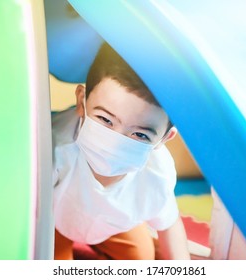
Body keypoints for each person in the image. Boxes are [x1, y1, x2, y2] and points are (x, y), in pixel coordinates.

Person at [52, 42, 190, 260]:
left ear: (164, 138)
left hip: (113, 223)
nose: (116, 144)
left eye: (140, 135)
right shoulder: (54, 151)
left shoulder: (157, 173)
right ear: (81, 101)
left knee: (142, 261)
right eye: (105, 120)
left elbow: (169, 223)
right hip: (55, 218)